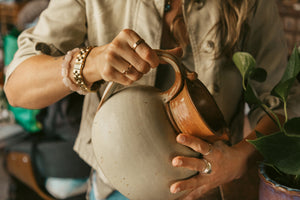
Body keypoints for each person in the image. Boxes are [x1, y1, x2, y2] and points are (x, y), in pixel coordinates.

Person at [3, 0, 300, 199]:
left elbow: (285, 104)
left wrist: (239, 159)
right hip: (114, 189)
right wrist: (91, 62)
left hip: (212, 188)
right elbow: (17, 87)